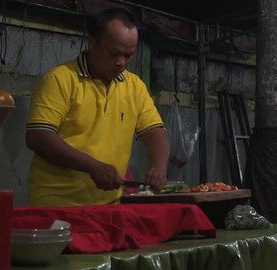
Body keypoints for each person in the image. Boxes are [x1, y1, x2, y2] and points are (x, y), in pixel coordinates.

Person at [25, 8, 169, 206]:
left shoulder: (135, 86)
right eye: (114, 53)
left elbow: (154, 132)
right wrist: (92, 166)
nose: (121, 62)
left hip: (109, 205)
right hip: (57, 204)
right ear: (92, 43)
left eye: (128, 56)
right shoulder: (59, 79)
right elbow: (38, 137)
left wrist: (158, 168)